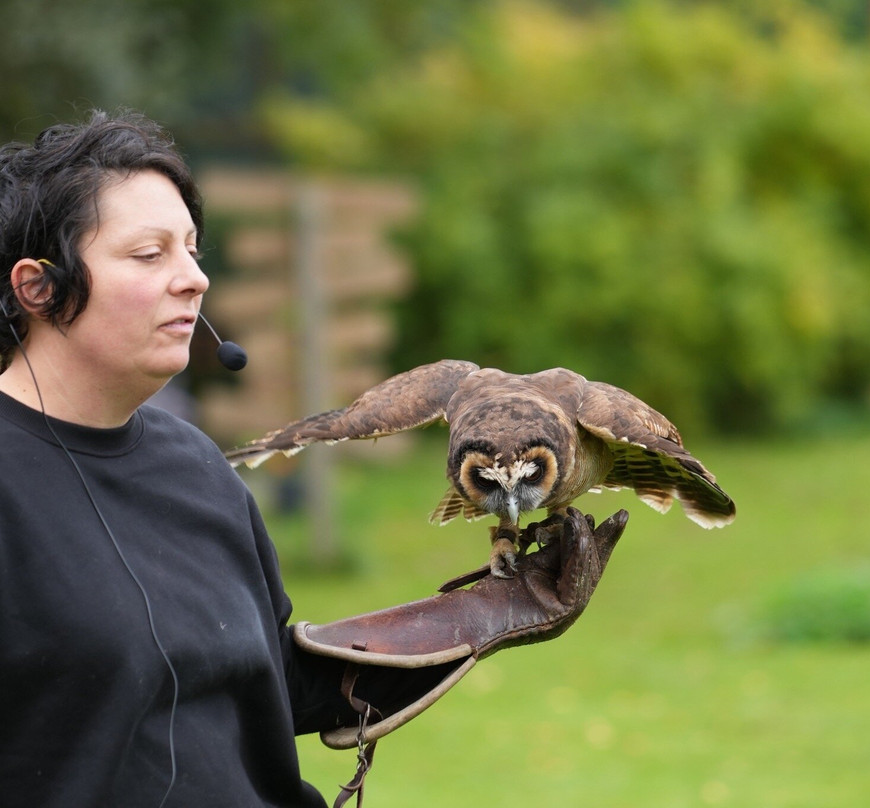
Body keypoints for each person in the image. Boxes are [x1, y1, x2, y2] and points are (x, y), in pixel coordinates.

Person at [0, 110, 627, 808]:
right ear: (39, 288)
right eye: (150, 255)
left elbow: (269, 682)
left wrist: (495, 611)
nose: (194, 279)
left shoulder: (197, 470)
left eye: (193, 250)